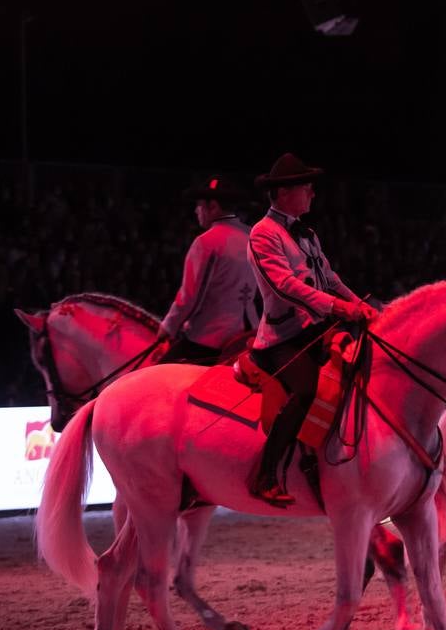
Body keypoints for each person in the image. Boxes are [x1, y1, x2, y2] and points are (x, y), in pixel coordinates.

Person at [246, 153, 377, 507]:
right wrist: (340, 308)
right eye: (307, 188)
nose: (312, 194)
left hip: (316, 331)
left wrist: (360, 305)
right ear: (286, 192)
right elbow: (285, 285)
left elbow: (329, 279)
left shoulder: (308, 234)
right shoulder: (263, 233)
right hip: (282, 338)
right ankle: (266, 474)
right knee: (305, 391)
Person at [159, 175, 259, 365]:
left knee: (157, 374)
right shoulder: (253, 235)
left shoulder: (207, 242)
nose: (196, 211)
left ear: (212, 206)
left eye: (199, 205)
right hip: (250, 331)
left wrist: (168, 326)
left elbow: (191, 297)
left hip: (210, 336)